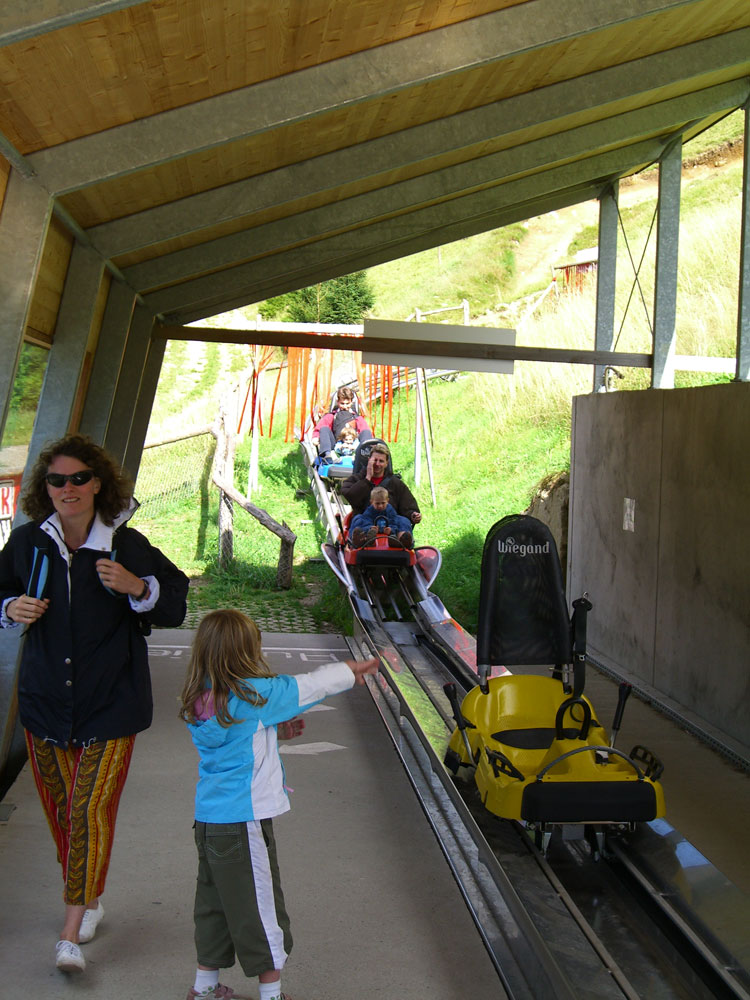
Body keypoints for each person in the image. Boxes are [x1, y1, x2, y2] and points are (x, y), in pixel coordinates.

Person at [0, 433, 189, 974]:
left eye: (79, 478)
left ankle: (69, 933)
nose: (68, 488)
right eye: (57, 480)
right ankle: (90, 897)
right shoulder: (28, 544)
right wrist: (11, 606)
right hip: (43, 706)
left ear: (99, 483)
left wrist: (137, 586)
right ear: (46, 488)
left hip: (111, 707)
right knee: (65, 815)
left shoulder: (124, 545)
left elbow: (175, 601)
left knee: (87, 811)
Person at [179, 609, 378, 1000]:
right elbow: (301, 687)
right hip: (243, 822)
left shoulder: (202, 699)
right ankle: (271, 996)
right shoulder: (252, 696)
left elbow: (242, 737)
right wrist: (349, 671)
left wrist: (274, 731)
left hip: (209, 821)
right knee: (261, 910)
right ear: (246, 654)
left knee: (215, 905)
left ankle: (204, 990)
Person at [341, 442, 422, 529]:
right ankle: (363, 537)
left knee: (404, 521)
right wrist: (367, 478)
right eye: (375, 460)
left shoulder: (395, 483)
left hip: (391, 524)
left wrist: (413, 514)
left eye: (381, 461)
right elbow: (350, 496)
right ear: (369, 460)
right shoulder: (356, 479)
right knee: (357, 520)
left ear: (386, 463)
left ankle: (401, 539)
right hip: (365, 523)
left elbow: (408, 505)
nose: (377, 464)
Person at [311, 386, 372, 457]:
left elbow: (366, 432)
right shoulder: (332, 416)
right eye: (342, 403)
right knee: (324, 429)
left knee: (366, 431)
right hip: (336, 445)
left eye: (347, 403)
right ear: (338, 402)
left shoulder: (357, 418)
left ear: (351, 402)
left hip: (353, 445)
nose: (345, 406)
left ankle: (364, 455)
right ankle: (327, 455)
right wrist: (315, 437)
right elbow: (319, 429)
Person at [350, 486, 414, 548]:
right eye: (377, 503)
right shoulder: (369, 511)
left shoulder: (390, 510)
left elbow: (394, 522)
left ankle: (401, 540)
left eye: (383, 503)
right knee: (357, 518)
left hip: (389, 534)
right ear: (371, 502)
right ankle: (361, 540)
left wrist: (391, 530)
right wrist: (370, 528)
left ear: (387, 501)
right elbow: (366, 521)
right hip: (372, 534)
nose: (380, 506)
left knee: (404, 520)